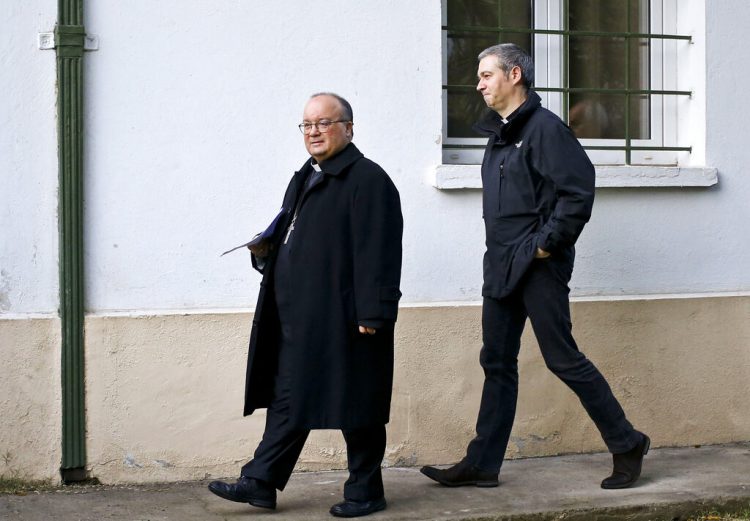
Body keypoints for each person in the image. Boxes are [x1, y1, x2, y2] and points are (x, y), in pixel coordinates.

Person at [420, 44, 649, 490]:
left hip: (538, 266)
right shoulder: (501, 134)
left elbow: (578, 191)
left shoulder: (545, 129)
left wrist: (547, 246)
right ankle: (483, 463)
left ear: (516, 75)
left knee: (562, 358)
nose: (479, 83)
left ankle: (627, 443)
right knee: (497, 362)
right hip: (500, 266)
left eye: (487, 75)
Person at [209, 93, 403, 518]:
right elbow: (291, 234)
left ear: (348, 129)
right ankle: (260, 482)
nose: (313, 132)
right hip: (299, 316)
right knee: (289, 395)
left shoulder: (368, 180)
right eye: (307, 125)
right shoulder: (305, 177)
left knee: (359, 404)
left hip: (348, 316)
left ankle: (366, 491)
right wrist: (265, 253)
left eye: (324, 123)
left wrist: (374, 313)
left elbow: (380, 250)